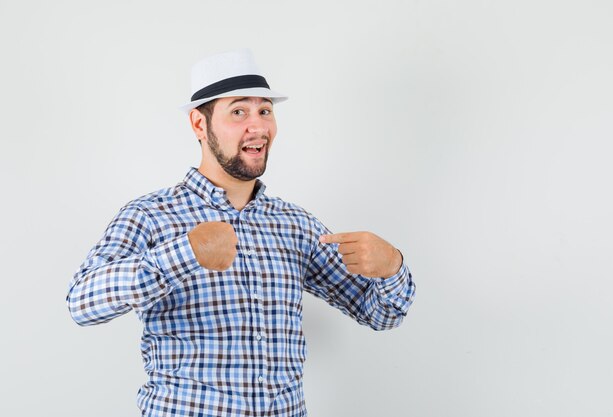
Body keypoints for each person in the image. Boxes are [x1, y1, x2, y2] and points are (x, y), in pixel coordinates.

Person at [66, 49, 416, 417]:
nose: (259, 126)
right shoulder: (151, 215)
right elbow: (81, 304)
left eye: (265, 110)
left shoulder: (295, 225)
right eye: (238, 112)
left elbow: (381, 314)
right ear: (199, 125)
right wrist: (185, 253)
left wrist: (393, 266)